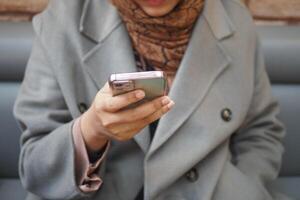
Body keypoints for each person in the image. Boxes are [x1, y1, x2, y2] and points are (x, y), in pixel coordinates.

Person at [13, 0, 289, 199]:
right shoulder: (61, 22)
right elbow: (35, 167)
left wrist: (247, 188)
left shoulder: (236, 20)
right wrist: (92, 130)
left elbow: (261, 130)